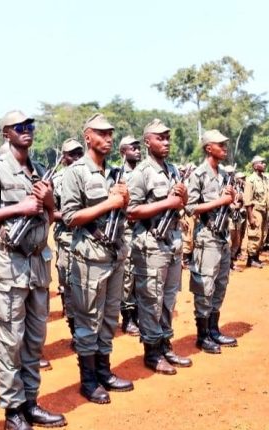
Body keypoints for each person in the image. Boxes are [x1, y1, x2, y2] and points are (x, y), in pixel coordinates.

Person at [0, 110, 65, 430]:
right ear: (7, 133)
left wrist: (48, 203)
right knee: (9, 342)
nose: (27, 131)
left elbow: (49, 216)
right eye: (20, 127)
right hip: (9, 265)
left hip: (37, 264)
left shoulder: (35, 170)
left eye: (30, 126)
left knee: (35, 341)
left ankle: (30, 402)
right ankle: (12, 412)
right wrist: (16, 209)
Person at [60, 113, 135, 404]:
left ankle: (104, 371)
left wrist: (123, 202)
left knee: (109, 317)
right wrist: (110, 202)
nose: (108, 138)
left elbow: (122, 213)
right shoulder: (75, 172)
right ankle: (88, 380)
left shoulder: (115, 173)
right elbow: (69, 217)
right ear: (87, 136)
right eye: (102, 133)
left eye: (111, 134)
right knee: (88, 318)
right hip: (89, 256)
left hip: (115, 253)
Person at [126, 118, 192, 375]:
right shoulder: (141, 172)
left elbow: (181, 204)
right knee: (151, 298)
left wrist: (182, 197)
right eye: (159, 138)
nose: (165, 142)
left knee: (169, 298)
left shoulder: (173, 169)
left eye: (167, 138)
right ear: (147, 142)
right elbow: (131, 211)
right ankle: (152, 352)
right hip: (151, 244)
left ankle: (165, 344)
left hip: (173, 241)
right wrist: (168, 203)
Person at [185, 129, 238, 354]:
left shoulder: (224, 174)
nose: (225, 148)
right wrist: (220, 201)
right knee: (204, 286)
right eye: (220, 144)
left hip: (222, 236)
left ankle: (214, 329)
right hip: (206, 237)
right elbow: (190, 207)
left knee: (220, 284)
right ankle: (202, 335)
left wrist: (232, 200)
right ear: (209, 148)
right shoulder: (198, 174)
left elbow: (227, 202)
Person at [52, 138, 84, 347]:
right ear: (64, 158)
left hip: (89, 237)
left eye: (79, 152)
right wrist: (69, 215)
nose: (76, 157)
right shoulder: (57, 180)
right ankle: (75, 331)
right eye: (72, 154)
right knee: (70, 285)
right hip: (66, 238)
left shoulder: (90, 174)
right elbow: (49, 211)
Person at [118, 135, 141, 336]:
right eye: (133, 147)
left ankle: (139, 314)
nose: (138, 150)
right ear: (123, 152)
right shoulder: (118, 175)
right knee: (128, 275)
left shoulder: (144, 173)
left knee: (141, 274)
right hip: (126, 231)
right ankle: (128, 318)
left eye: (139, 147)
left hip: (143, 231)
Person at [243, 156, 269, 269]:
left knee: (262, 235)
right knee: (254, 235)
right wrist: (251, 217)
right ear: (255, 166)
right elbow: (247, 200)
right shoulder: (250, 180)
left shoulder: (265, 179)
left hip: (264, 211)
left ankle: (256, 257)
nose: (265, 164)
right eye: (262, 163)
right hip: (255, 210)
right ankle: (251, 259)